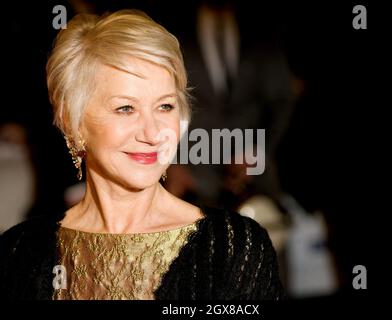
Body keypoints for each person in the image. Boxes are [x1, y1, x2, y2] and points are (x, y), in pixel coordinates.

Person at [0, 9, 283, 300]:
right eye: (126, 108)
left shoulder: (233, 248)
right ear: (74, 122)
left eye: (165, 107)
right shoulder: (20, 252)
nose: (152, 134)